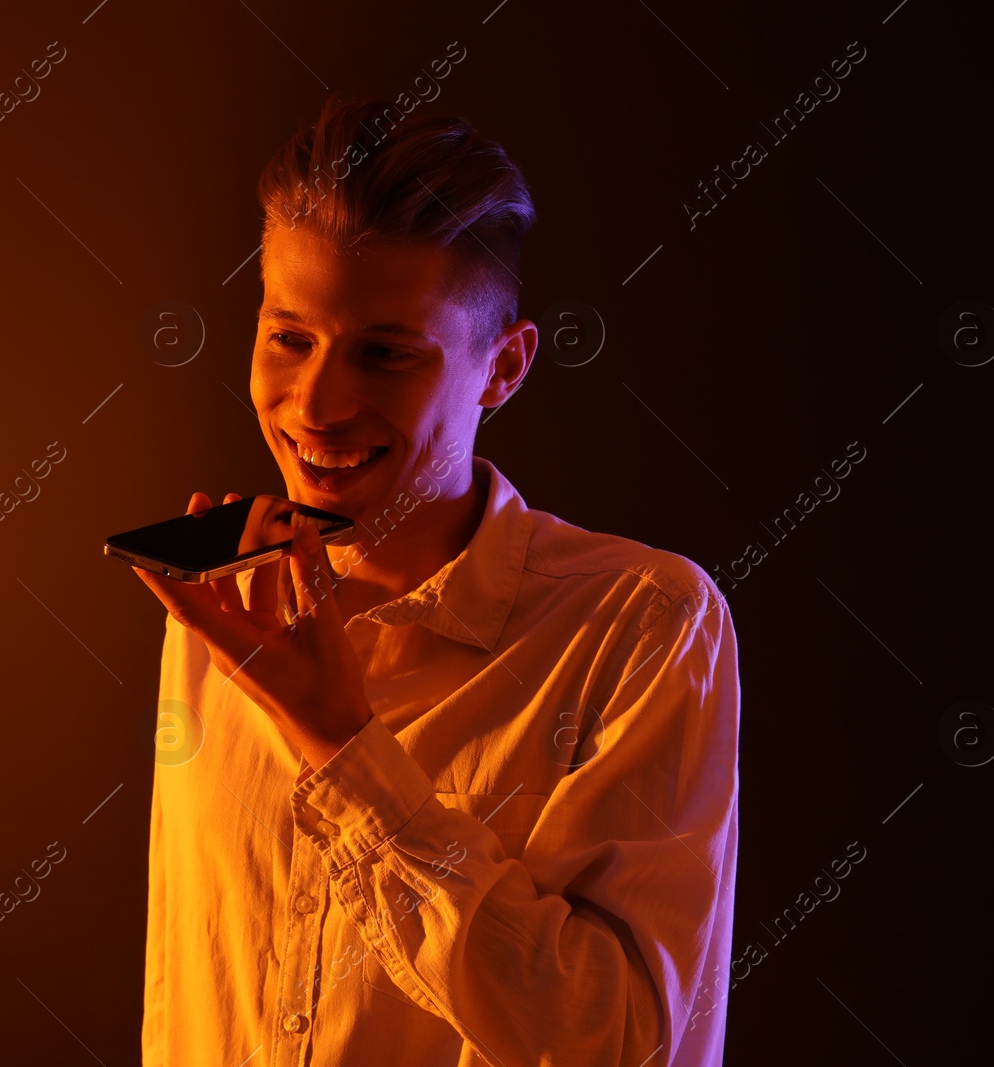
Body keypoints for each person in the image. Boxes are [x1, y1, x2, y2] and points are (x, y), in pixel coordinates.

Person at [127, 92, 740, 1067]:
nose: (317, 404)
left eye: (384, 354)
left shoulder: (641, 623)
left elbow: (613, 1046)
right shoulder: (222, 597)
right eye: (288, 336)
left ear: (502, 368)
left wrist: (344, 743)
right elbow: (194, 993)